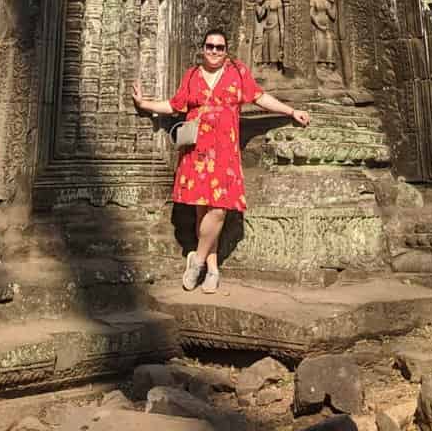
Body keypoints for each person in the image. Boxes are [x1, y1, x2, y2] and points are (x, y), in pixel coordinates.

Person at [132, 27, 309, 294]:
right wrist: (145, 104)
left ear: (227, 52)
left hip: (225, 151)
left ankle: (197, 260)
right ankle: (213, 269)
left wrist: (291, 110)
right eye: (210, 46)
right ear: (203, 48)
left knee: (219, 209)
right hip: (197, 150)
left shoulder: (237, 73)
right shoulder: (192, 75)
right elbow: (175, 105)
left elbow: (259, 97)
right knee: (202, 209)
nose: (214, 51)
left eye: (220, 47)